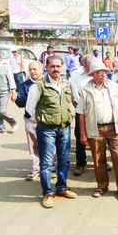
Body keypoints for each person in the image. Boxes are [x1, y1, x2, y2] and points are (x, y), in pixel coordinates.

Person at [26, 55, 77, 208]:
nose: (55, 69)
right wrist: (44, 120)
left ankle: (61, 187)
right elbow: (30, 108)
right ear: (46, 68)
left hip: (64, 128)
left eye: (58, 66)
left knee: (63, 160)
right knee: (47, 163)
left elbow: (72, 103)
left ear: (62, 67)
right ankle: (47, 193)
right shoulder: (38, 86)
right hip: (46, 130)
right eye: (52, 66)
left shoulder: (67, 84)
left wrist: (69, 116)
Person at [78, 61, 118, 201]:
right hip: (95, 128)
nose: (104, 74)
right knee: (98, 159)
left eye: (105, 72)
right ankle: (102, 186)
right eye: (100, 72)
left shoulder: (113, 87)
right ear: (92, 74)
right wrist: (83, 134)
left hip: (114, 127)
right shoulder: (85, 89)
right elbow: (81, 113)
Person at [16, 61, 57, 180]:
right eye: (30, 69)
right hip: (31, 119)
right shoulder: (25, 85)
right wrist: (29, 97)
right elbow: (19, 102)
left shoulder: (48, 82)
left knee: (50, 144)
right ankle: (35, 169)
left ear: (42, 69)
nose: (32, 71)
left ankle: (53, 167)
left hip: (47, 120)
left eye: (35, 69)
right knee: (33, 145)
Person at [70, 56, 92, 176]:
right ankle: (80, 163)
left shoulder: (97, 71)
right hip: (80, 108)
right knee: (80, 135)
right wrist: (73, 98)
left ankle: (100, 161)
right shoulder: (76, 74)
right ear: (84, 65)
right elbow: (73, 90)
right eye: (89, 67)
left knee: (98, 136)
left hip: (95, 110)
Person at [0, 54, 17, 134]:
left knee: (2, 111)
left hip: (4, 92)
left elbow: (11, 79)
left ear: (0, 59)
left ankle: (13, 121)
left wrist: (13, 92)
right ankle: (1, 128)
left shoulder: (5, 66)